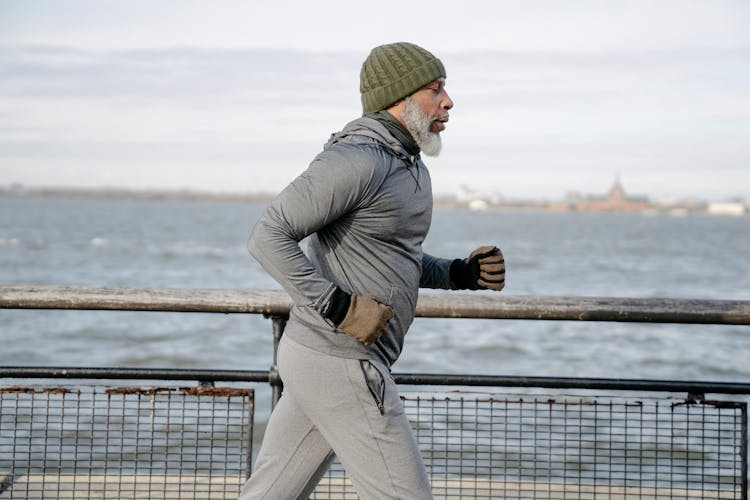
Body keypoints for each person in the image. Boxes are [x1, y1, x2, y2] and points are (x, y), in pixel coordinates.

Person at [240, 42, 505, 500]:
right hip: (339, 357)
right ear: (399, 98)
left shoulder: (409, 165)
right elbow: (268, 236)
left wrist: (458, 273)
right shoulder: (357, 159)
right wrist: (339, 306)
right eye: (435, 89)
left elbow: (393, 257)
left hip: (324, 360)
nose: (448, 101)